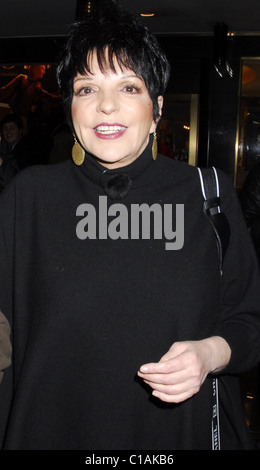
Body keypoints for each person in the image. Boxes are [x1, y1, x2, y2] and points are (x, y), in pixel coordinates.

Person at [0, 5, 260, 451]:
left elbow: (249, 324)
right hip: (51, 429)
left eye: (129, 86)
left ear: (157, 107)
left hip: (176, 436)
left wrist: (209, 354)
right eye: (86, 88)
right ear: (71, 105)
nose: (106, 106)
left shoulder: (207, 195)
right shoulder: (30, 198)